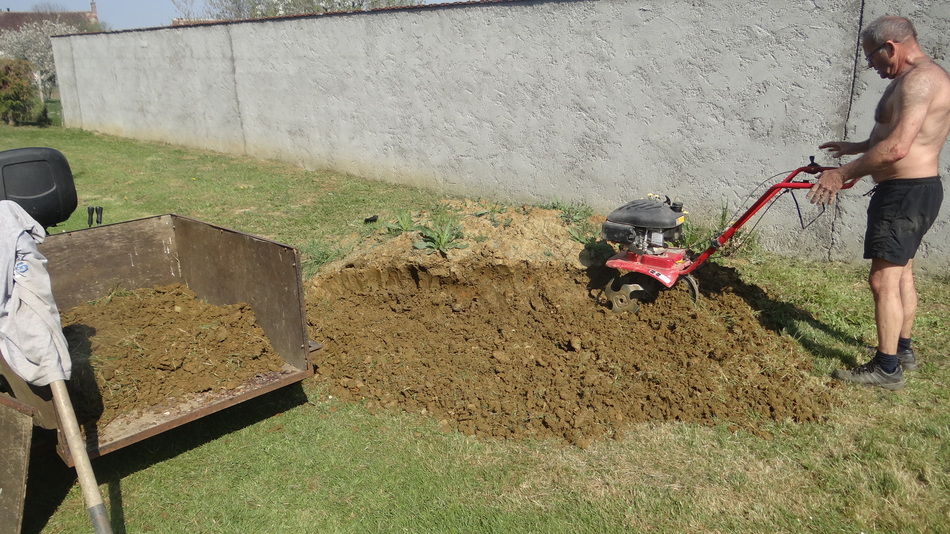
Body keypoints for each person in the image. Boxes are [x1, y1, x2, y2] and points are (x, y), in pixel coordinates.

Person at [806, 15, 950, 390]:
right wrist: (855, 148)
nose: (872, 67)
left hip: (904, 193)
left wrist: (841, 174)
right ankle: (902, 350)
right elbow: (896, 135)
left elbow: (898, 148)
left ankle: (886, 369)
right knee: (901, 273)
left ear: (891, 47)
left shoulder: (919, 80)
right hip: (917, 190)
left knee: (882, 279)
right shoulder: (919, 77)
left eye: (873, 58)